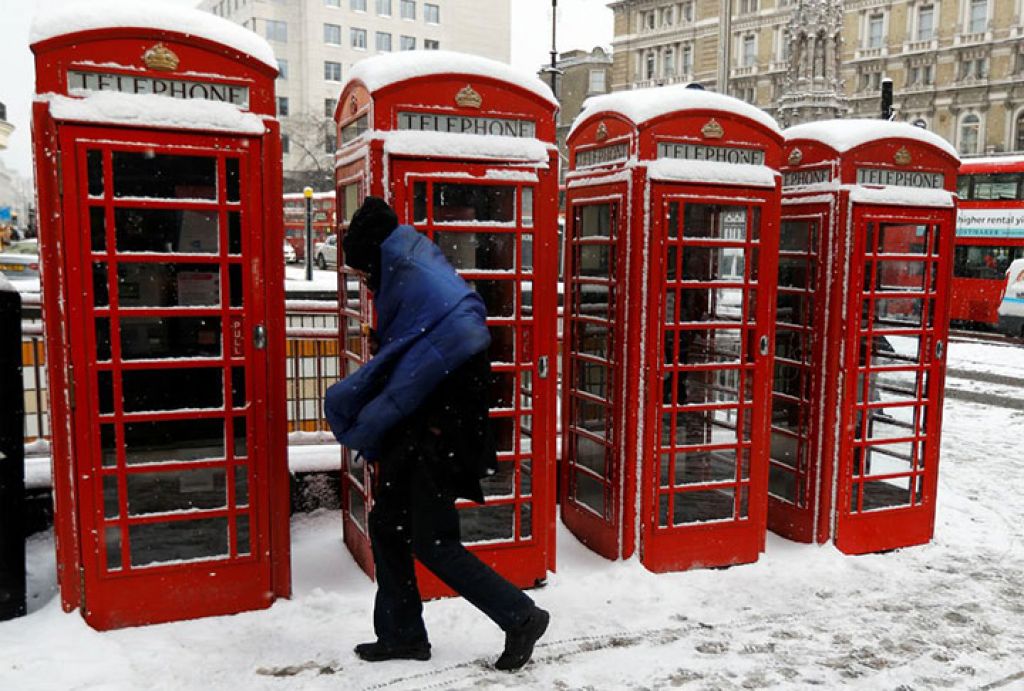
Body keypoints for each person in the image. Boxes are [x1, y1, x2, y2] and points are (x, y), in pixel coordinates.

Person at [325, 197, 550, 672]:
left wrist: (427, 431)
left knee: (433, 542)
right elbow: (409, 364)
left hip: (438, 441)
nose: (367, 283)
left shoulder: (438, 306)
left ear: (381, 259)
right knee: (388, 526)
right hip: (414, 438)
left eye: (366, 273)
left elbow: (455, 379)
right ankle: (402, 633)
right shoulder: (415, 289)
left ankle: (520, 616)